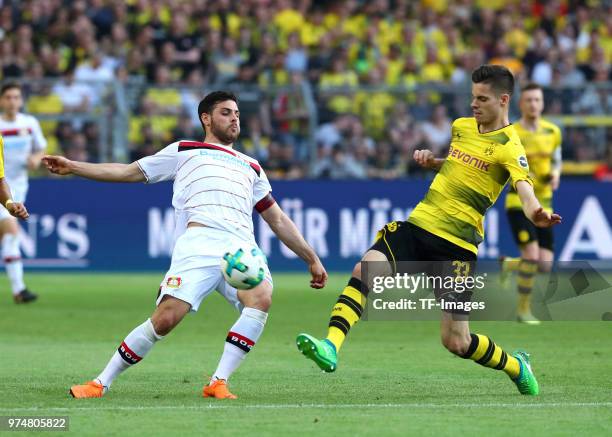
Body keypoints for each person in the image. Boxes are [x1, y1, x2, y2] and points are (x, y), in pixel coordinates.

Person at [296, 65, 562, 396]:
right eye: (472, 97)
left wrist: (536, 212)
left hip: (457, 246)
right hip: (419, 224)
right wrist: (434, 161)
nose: (473, 105)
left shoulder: (510, 146)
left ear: (504, 100)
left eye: (482, 98)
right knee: (365, 270)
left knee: (457, 341)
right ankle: (330, 346)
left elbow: (524, 188)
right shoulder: (462, 127)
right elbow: (460, 163)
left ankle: (516, 366)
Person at [43, 91, 327, 399]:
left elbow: (277, 219)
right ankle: (100, 383)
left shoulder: (252, 166)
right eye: (226, 113)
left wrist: (311, 257)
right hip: (199, 243)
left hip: (241, 248)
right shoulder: (185, 150)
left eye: (237, 114)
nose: (235, 118)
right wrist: (73, 166)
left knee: (261, 299)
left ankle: (218, 381)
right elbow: (127, 172)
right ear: (206, 118)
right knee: (165, 319)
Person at [500, 83, 562, 324]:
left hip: (545, 203)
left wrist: (556, 174)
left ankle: (509, 264)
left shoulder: (553, 131)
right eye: (529, 100)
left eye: (537, 100)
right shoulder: (511, 132)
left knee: (545, 265)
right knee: (532, 255)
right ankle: (523, 311)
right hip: (519, 202)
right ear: (521, 104)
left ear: (542, 103)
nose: (533, 104)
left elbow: (557, 161)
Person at [0, 83, 46, 303]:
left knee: (9, 237)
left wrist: (36, 159)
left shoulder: (29, 124)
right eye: (8, 97)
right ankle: (19, 289)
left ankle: (18, 289)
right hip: (2, 187)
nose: (12, 101)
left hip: (19, 187)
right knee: (11, 232)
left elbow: (41, 148)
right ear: (1, 100)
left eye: (16, 97)